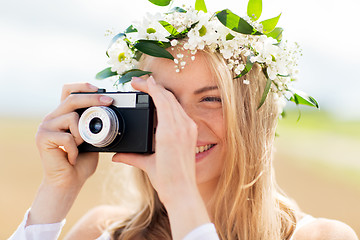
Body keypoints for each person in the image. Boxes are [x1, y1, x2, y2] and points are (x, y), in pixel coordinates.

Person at [9, 1, 359, 239]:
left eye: (211, 99)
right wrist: (55, 194)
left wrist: (181, 197)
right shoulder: (101, 230)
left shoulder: (322, 236)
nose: (183, 125)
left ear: (256, 117)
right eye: (164, 100)